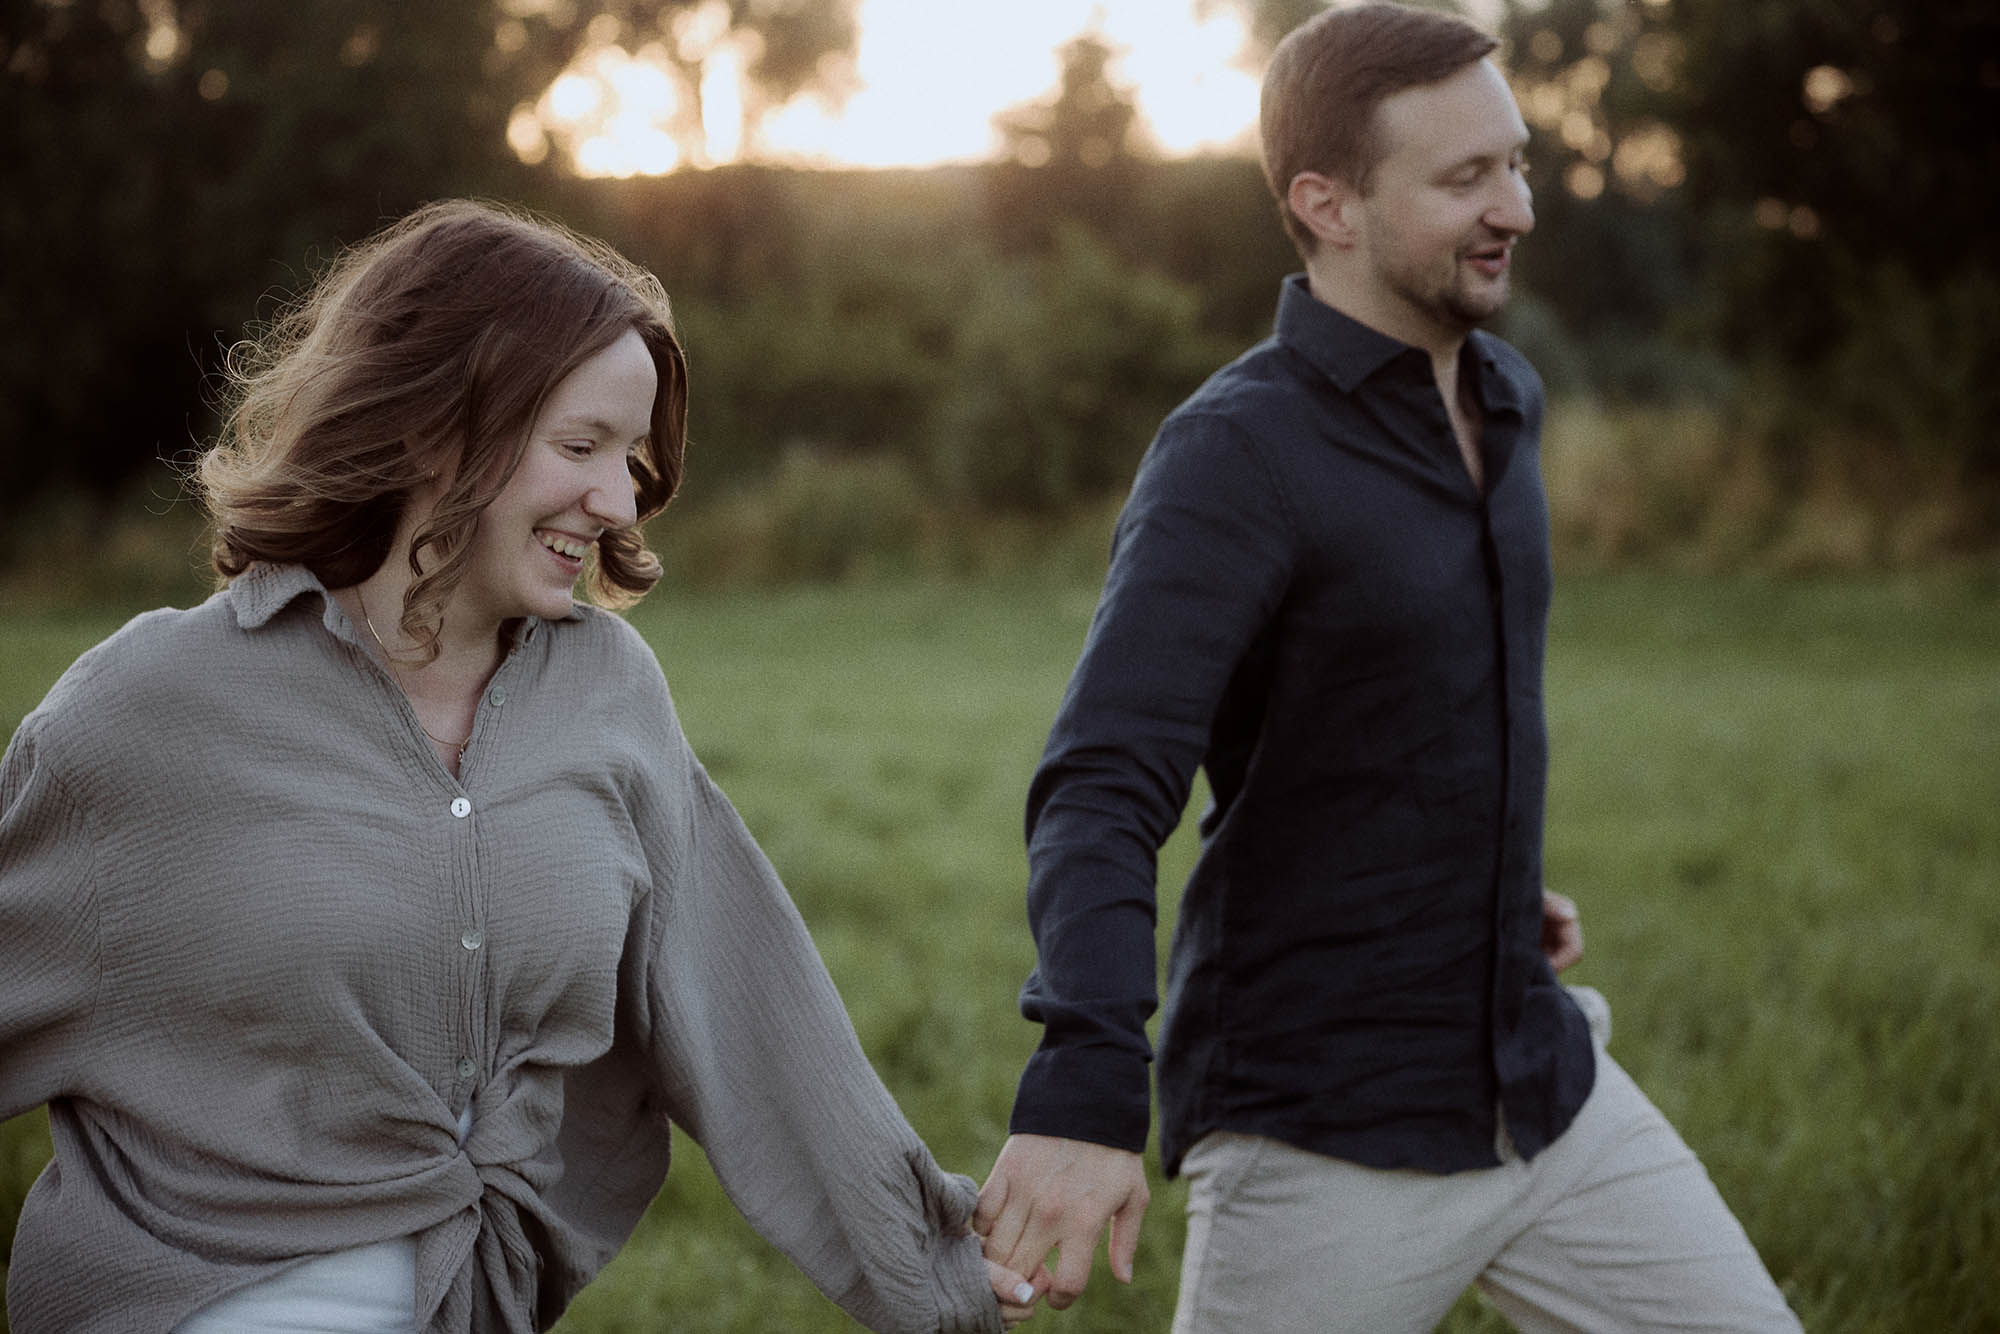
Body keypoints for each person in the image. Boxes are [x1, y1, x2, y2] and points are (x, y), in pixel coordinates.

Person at [0, 198, 1042, 1333]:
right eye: (580, 445)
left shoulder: (608, 693)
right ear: (435, 426)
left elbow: (748, 1005)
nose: (618, 498)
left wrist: (929, 1262)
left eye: (632, 458)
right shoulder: (145, 710)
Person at [972, 6, 1802, 1330]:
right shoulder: (1234, 456)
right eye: (1465, 178)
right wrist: (1083, 1083)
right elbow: (1102, 783)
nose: (1518, 207)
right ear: (1328, 203)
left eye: (1516, 163)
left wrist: (1477, 879)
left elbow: (1407, 698)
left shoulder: (1505, 402)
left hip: (1544, 1083)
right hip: (1325, 1136)